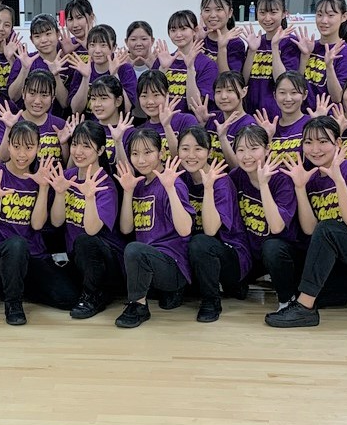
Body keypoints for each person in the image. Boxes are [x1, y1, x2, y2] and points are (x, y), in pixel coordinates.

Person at [265, 116, 347, 328]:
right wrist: (300, 187)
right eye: (308, 142)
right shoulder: (311, 177)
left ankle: (304, 309)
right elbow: (310, 229)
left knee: (327, 229)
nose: (315, 149)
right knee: (306, 280)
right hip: (344, 257)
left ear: (338, 143)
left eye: (323, 142)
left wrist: (338, 180)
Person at [0, 119, 79, 324]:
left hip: (31, 256)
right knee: (16, 244)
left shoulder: (41, 177)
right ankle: (13, 303)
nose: (22, 154)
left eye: (29, 147)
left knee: (68, 298)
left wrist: (43, 188)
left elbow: (37, 225)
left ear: (38, 148)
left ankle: (16, 285)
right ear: (8, 145)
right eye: (16, 147)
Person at [113, 128, 195, 328]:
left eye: (148, 152)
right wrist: (128, 192)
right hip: (148, 264)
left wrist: (170, 188)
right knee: (126, 249)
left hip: (172, 266)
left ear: (161, 153)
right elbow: (126, 229)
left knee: (134, 249)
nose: (141, 160)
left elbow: (185, 230)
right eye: (135, 154)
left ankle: (138, 306)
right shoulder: (138, 183)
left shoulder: (172, 183)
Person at [48, 121, 124, 319]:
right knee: (60, 294)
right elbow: (56, 222)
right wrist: (60, 193)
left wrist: (89, 197)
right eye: (75, 144)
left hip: (106, 263)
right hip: (76, 259)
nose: (78, 151)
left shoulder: (105, 185)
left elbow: (91, 230)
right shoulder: (68, 176)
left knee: (85, 240)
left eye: (86, 146)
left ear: (100, 150)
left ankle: (93, 295)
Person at [178, 126, 250, 322]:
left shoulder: (221, 181)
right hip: (198, 253)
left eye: (198, 149)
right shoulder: (181, 178)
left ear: (209, 152)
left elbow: (210, 230)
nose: (191, 155)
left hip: (229, 252)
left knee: (200, 242)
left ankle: (211, 301)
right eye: (185, 149)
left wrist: (208, 188)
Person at [228, 124, 301, 310]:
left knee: (272, 248)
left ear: (267, 149)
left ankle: (287, 300)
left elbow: (276, 227)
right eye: (241, 150)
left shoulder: (282, 178)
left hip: (281, 250)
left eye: (254, 148)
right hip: (251, 251)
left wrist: (263, 185)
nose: (247, 156)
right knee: (233, 287)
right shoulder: (235, 177)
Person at [240, 0, 301, 120]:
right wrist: (251, 51)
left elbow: (283, 82)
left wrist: (274, 46)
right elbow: (243, 81)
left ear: (284, 14)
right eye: (262, 13)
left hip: (277, 115)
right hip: (251, 112)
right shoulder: (256, 41)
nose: (267, 18)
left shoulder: (291, 43)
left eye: (273, 12)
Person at [0, 70, 69, 164]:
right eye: (32, 93)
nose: (37, 101)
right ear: (23, 93)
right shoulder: (7, 123)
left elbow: (68, 165)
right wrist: (9, 129)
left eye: (44, 95)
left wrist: (64, 144)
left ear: (52, 98)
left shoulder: (60, 125)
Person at [294, 0, 347, 109]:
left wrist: (329, 66)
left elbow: (338, 97)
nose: (323, 20)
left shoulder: (346, 54)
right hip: (302, 115)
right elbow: (296, 87)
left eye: (330, 15)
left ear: (344, 17)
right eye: (319, 15)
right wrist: (304, 57)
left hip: (326, 117)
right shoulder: (310, 47)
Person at [254, 71, 328, 166]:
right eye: (282, 93)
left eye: (294, 92)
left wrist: (319, 127)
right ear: (275, 95)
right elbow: (259, 165)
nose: (288, 98)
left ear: (304, 95)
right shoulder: (269, 128)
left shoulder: (311, 123)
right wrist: (266, 137)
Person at [122, 70, 195, 162]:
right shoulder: (139, 131)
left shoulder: (186, 121)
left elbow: (185, 160)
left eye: (156, 95)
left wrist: (167, 126)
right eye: (144, 96)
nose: (150, 101)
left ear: (167, 95)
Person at [151, 10, 215, 113]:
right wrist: (162, 69)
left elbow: (194, 106)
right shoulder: (162, 61)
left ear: (195, 31)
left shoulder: (207, 64)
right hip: (162, 119)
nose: (178, 34)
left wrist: (190, 68)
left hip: (189, 120)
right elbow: (151, 98)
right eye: (173, 30)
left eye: (183, 29)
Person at [188, 70, 254, 168]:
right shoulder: (212, 118)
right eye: (218, 91)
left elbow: (239, 167)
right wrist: (202, 125)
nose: (223, 96)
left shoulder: (249, 126)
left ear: (244, 91)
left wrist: (223, 138)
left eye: (230, 90)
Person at [69, 24, 137, 114]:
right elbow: (75, 110)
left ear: (114, 48)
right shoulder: (82, 69)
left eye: (103, 45)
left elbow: (126, 109)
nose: (97, 50)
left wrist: (114, 75)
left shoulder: (125, 69)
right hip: (87, 122)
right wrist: (85, 78)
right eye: (92, 45)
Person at [7, 13, 71, 108]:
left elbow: (65, 104)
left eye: (48, 34)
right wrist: (25, 69)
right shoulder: (23, 61)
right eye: (37, 36)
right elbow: (13, 97)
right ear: (31, 39)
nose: (44, 40)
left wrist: (56, 75)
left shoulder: (67, 63)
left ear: (58, 34)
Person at [88, 75, 134, 169]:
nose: (97, 104)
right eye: (93, 99)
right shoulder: (88, 129)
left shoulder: (130, 133)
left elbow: (129, 175)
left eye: (103, 98)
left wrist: (118, 142)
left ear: (118, 101)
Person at [199, 0, 246, 75]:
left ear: (230, 12)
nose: (213, 15)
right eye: (207, 10)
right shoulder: (199, 36)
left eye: (219, 9)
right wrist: (196, 40)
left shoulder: (235, 43)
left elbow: (229, 80)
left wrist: (222, 48)